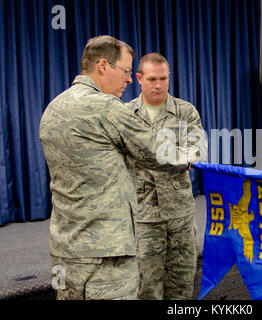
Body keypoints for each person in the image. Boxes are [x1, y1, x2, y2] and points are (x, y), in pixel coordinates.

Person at [39, 36, 191, 300]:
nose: (130, 80)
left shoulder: (53, 108)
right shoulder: (107, 107)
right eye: (126, 71)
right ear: (102, 66)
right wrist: (188, 156)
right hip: (107, 256)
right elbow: (159, 154)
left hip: (66, 251)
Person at [126, 53, 207, 300]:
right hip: (143, 214)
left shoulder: (184, 111)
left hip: (179, 213)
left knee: (182, 284)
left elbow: (197, 149)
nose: (158, 85)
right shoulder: (126, 114)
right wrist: (176, 157)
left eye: (163, 78)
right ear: (139, 78)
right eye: (151, 79)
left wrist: (185, 156)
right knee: (147, 286)